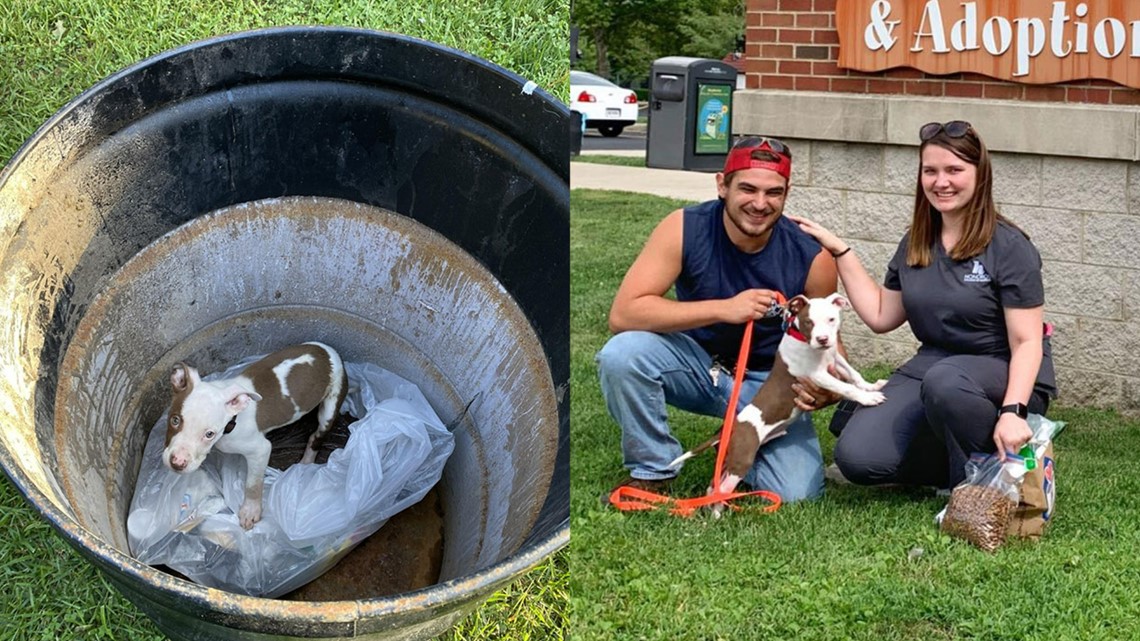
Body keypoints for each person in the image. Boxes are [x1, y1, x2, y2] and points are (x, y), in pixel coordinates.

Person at [788, 120, 1057, 490]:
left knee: (946, 381)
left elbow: (1027, 342)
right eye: (930, 171)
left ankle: (979, 484)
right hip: (934, 367)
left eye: (954, 170)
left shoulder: (1010, 247)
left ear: (980, 174)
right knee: (859, 459)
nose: (941, 182)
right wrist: (841, 251)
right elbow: (882, 315)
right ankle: (953, 459)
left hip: (1003, 368)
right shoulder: (916, 241)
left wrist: (1013, 411)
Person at [596, 136, 845, 503]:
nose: (760, 204)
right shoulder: (684, 227)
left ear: (786, 194)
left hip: (770, 383)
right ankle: (653, 469)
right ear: (722, 185)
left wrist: (829, 389)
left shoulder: (812, 256)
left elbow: (831, 345)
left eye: (773, 193)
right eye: (748, 189)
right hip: (696, 365)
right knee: (622, 354)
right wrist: (724, 308)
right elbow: (624, 314)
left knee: (796, 494)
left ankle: (737, 437)